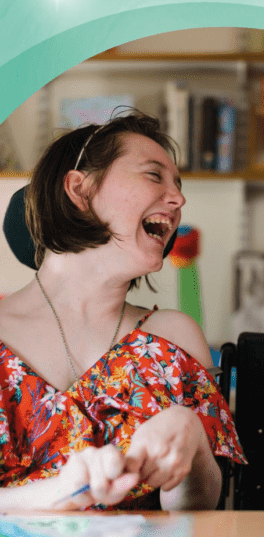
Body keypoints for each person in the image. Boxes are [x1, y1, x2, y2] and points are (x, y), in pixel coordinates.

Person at [0, 111, 244, 510]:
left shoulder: (173, 338)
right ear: (79, 190)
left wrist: (193, 436)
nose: (179, 199)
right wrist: (61, 492)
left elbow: (198, 514)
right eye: (154, 175)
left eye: (178, 186)